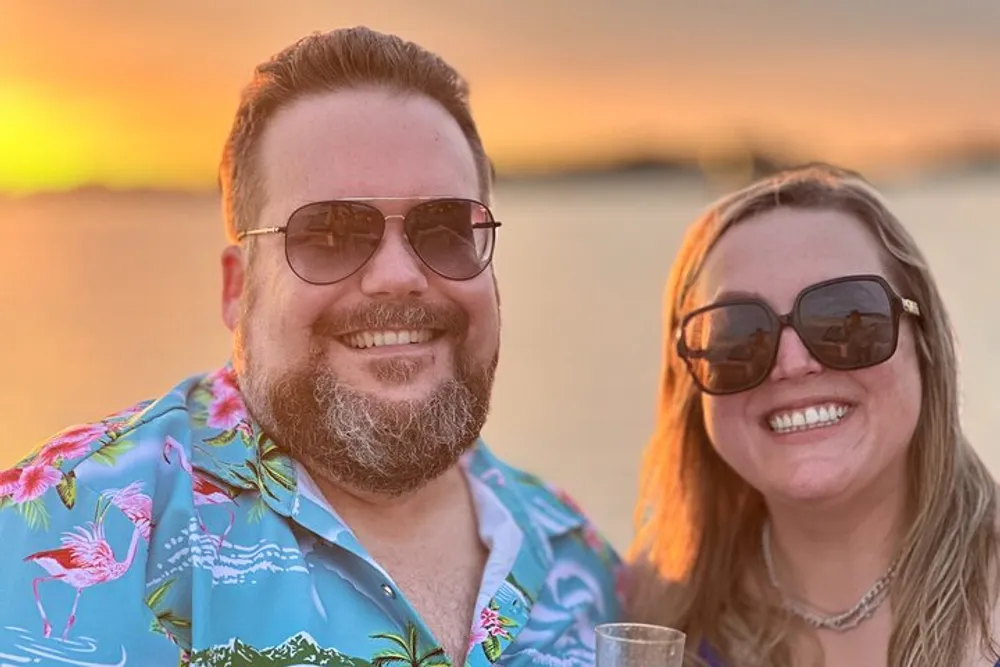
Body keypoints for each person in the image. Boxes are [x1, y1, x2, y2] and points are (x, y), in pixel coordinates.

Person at [0, 27, 621, 666]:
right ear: (238, 290)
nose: (398, 275)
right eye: (329, 232)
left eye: (442, 228)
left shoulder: (579, 562)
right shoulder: (47, 527)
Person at [624, 163, 1000, 667]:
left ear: (925, 344)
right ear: (690, 383)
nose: (793, 363)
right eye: (736, 335)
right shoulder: (655, 608)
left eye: (848, 318)